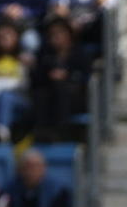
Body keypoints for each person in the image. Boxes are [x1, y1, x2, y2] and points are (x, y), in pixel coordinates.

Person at [30, 14, 90, 142]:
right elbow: (37, 79)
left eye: (59, 33)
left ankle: (61, 131)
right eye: (52, 34)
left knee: (61, 89)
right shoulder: (45, 54)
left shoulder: (79, 54)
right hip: (50, 95)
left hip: (75, 97)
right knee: (41, 94)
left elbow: (85, 76)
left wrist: (67, 76)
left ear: (69, 34)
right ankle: (41, 131)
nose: (55, 37)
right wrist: (49, 75)